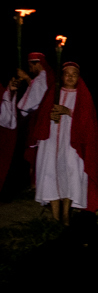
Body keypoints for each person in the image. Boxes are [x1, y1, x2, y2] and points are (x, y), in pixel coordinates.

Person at [27, 61, 98, 222]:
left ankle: (66, 215)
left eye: (74, 74)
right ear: (62, 76)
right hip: (50, 141)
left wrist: (68, 111)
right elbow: (41, 116)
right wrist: (49, 116)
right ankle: (56, 217)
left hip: (72, 143)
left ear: (78, 77)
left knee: (70, 173)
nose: (70, 77)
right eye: (67, 74)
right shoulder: (53, 93)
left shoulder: (83, 96)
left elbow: (88, 122)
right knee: (50, 173)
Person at [2, 52, 56, 192]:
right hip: (35, 118)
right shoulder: (44, 78)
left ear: (37, 63)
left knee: (23, 152)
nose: (30, 69)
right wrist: (26, 78)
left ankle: (24, 184)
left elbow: (30, 102)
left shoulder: (41, 79)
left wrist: (16, 110)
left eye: (30, 66)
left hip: (31, 119)